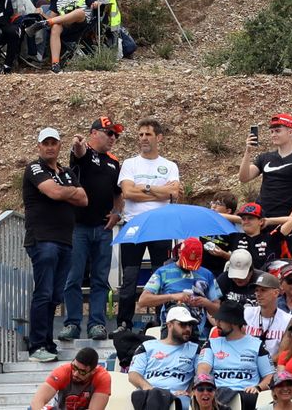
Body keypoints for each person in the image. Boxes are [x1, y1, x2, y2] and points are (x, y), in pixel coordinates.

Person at [24, 126, 89, 361]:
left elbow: (84, 199)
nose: (50, 147)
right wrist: (67, 191)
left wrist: (64, 191)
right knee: (43, 292)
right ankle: (37, 345)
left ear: (60, 145)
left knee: (54, 295)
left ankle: (48, 343)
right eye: (46, 143)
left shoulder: (67, 171)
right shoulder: (34, 167)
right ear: (39, 146)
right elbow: (51, 192)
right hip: (42, 239)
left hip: (64, 240)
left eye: (54, 143)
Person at [62, 116, 125, 342]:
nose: (113, 138)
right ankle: (72, 323)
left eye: (116, 135)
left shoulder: (114, 162)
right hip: (78, 227)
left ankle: (97, 324)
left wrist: (118, 213)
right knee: (74, 277)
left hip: (103, 227)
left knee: (100, 279)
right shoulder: (84, 152)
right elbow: (78, 152)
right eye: (109, 133)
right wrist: (77, 144)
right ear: (94, 133)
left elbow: (118, 194)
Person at [118, 120, 182, 333]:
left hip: (161, 226)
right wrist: (157, 189)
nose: (144, 138)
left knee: (161, 275)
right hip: (134, 224)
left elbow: (173, 194)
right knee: (129, 277)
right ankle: (124, 324)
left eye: (148, 134)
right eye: (140, 134)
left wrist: (142, 188)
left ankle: (161, 321)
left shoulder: (170, 166)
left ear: (159, 137)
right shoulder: (130, 164)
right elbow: (127, 193)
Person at [240, 112, 292, 253]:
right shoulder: (265, 157)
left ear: (290, 132)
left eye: (278, 131)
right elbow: (244, 177)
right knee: (256, 259)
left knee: (281, 263)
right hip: (260, 219)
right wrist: (248, 151)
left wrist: (291, 220)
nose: (273, 134)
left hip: (283, 219)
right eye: (272, 131)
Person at [199, 301, 275, 410]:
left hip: (247, 395)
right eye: (217, 320)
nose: (217, 324)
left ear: (234, 322)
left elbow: (270, 376)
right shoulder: (211, 343)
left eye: (221, 320)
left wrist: (258, 387)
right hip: (219, 394)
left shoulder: (257, 345)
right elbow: (202, 371)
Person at [140, 239, 223, 338]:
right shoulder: (163, 272)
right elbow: (143, 300)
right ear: (179, 252)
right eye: (187, 261)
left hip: (196, 331)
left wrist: (205, 303)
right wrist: (173, 296)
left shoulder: (207, 274)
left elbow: (219, 310)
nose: (189, 268)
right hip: (170, 331)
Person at [129, 305, 202, 410]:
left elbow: (201, 376)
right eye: (183, 324)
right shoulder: (147, 346)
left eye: (190, 325)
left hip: (178, 397)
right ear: (170, 325)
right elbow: (133, 375)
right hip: (148, 394)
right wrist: (149, 388)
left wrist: (190, 392)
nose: (188, 329)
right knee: (154, 396)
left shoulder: (195, 350)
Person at [43, 0, 100, 73]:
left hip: (81, 25)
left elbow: (94, 3)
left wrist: (96, 4)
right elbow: (51, 17)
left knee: (79, 12)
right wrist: (42, 14)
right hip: (64, 27)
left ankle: (47, 23)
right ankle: (55, 64)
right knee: (55, 26)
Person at [31, 345, 112, 410]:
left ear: (93, 371)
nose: (76, 374)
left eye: (82, 371)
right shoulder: (63, 371)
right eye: (74, 367)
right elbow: (37, 400)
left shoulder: (102, 377)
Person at [225, 203, 288, 272]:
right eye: (243, 219)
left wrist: (267, 221)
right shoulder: (235, 237)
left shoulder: (270, 238)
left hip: (264, 279)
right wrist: (242, 221)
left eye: (250, 218)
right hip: (238, 278)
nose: (246, 221)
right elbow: (214, 216)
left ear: (261, 221)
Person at [247, 272, 292, 358]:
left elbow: (282, 355)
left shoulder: (288, 320)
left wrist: (263, 366)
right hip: (247, 365)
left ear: (276, 293)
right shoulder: (246, 313)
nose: (258, 294)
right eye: (257, 290)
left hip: (273, 368)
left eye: (263, 290)